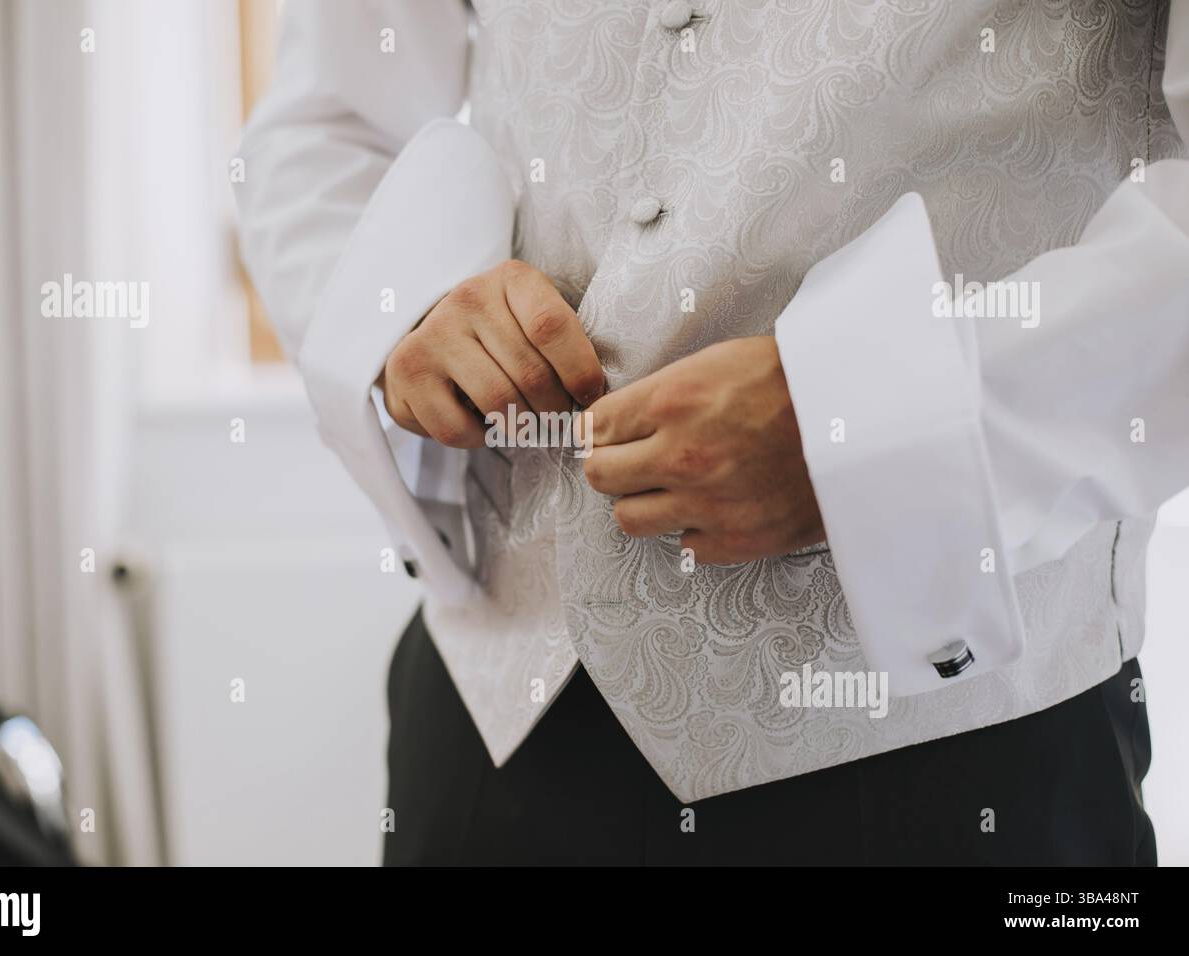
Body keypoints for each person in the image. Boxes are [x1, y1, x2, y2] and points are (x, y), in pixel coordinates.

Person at [235, 0, 1188, 864]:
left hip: (953, 762)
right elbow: (331, 122)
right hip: (489, 724)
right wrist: (406, 303)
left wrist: (883, 423)